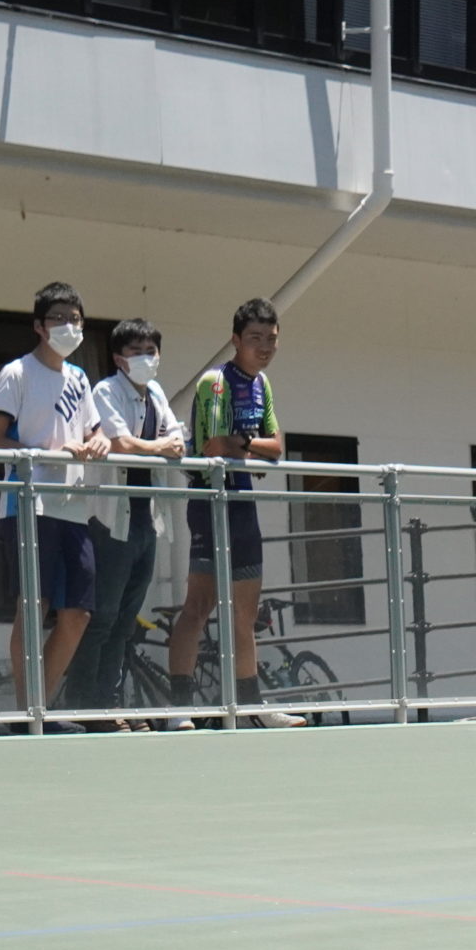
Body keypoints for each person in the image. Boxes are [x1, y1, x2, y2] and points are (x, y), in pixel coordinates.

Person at [0, 282, 110, 722]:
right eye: (58, 318)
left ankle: (42, 704)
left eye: (75, 319)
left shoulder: (79, 377)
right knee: (33, 607)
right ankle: (26, 713)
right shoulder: (17, 373)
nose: (68, 327)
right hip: (27, 504)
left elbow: (94, 430)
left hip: (73, 505)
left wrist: (98, 443)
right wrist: (46, 454)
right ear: (38, 326)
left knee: (78, 612)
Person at [175, 297, 303, 729]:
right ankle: (180, 709)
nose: (264, 347)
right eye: (255, 339)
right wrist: (248, 444)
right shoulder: (216, 381)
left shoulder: (262, 384)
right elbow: (214, 444)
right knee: (199, 605)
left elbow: (276, 448)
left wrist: (243, 443)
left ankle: (253, 706)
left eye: (271, 339)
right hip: (209, 501)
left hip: (242, 501)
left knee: (245, 612)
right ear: (235, 340)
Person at [75, 317, 185, 726]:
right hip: (111, 521)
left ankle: (111, 703)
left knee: (125, 621)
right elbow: (120, 443)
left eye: (151, 351)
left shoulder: (155, 392)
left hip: (146, 519)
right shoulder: (107, 391)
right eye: (137, 352)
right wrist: (159, 447)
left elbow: (179, 440)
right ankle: (85, 706)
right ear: (119, 358)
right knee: (102, 618)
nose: (146, 359)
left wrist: (158, 447)